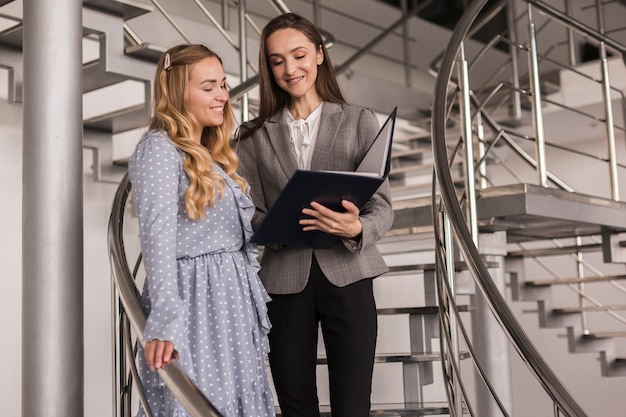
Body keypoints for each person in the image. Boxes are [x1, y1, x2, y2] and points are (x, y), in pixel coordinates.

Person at [235, 13, 394, 417]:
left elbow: (382, 206)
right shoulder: (251, 137)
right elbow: (245, 212)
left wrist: (358, 226)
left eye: (299, 55)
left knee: (353, 404)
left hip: (349, 273)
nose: (290, 69)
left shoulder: (359, 120)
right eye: (277, 60)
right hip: (284, 283)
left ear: (320, 55)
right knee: (295, 406)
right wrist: (273, 228)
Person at [128, 44, 275, 417]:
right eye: (209, 87)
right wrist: (163, 317)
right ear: (179, 91)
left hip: (228, 300)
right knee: (198, 403)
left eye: (223, 85)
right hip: (197, 302)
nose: (223, 96)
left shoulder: (209, 154)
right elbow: (157, 234)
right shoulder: (158, 149)